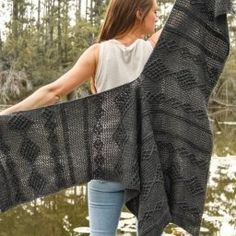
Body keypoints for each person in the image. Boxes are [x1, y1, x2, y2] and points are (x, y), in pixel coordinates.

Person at [0, 0, 162, 235]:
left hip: (105, 164)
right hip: (144, 163)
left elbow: (52, 92)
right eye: (155, 12)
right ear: (139, 12)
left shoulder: (97, 53)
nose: (157, 18)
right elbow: (190, 15)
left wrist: (5, 114)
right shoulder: (154, 49)